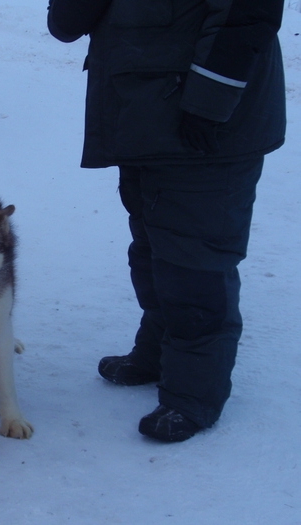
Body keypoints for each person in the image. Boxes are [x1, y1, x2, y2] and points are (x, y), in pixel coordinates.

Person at [47, 0, 286, 441]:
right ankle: (157, 352)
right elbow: (65, 24)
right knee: (153, 249)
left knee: (194, 260)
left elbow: (247, 14)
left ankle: (193, 395)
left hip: (206, 128)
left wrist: (209, 102)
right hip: (140, 116)